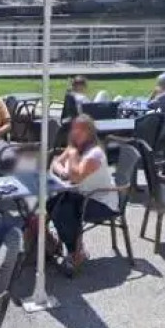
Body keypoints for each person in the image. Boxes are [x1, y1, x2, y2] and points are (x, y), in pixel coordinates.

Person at [48, 115, 113, 273]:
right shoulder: (76, 147)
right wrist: (63, 172)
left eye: (81, 130)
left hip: (100, 201)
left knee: (63, 211)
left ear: (89, 133)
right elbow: (55, 163)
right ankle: (54, 243)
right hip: (80, 195)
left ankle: (75, 253)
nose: (75, 133)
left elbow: (76, 176)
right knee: (50, 204)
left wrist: (71, 156)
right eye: (74, 129)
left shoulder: (94, 154)